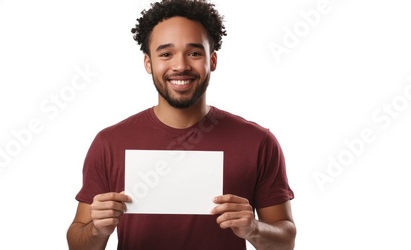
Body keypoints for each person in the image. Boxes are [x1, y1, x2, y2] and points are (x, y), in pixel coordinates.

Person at [66, 0, 296, 249]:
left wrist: (253, 228)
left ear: (213, 60)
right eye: (166, 54)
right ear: (148, 63)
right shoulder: (110, 143)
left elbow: (286, 240)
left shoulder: (257, 142)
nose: (181, 66)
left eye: (195, 53)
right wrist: (98, 230)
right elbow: (77, 243)